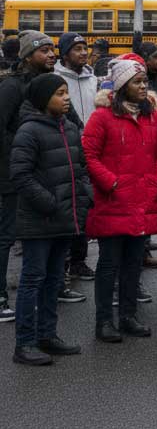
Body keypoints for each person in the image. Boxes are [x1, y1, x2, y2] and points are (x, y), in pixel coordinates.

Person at [82, 57, 157, 343]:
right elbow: (89, 156)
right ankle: (104, 321)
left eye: (145, 81)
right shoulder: (102, 117)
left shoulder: (153, 116)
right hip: (114, 200)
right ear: (122, 86)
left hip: (143, 197)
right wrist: (112, 182)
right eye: (137, 82)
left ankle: (128, 317)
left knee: (134, 263)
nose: (144, 86)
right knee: (109, 264)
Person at [9, 73, 92, 364]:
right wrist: (49, 203)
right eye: (59, 93)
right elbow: (20, 174)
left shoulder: (68, 128)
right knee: (33, 280)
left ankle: (47, 335)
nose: (66, 97)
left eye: (66, 92)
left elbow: (80, 169)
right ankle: (25, 343)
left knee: (54, 280)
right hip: (39, 221)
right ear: (45, 99)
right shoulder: (29, 131)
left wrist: (82, 199)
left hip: (64, 219)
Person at [0, 31, 60, 321]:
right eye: (44, 50)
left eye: (52, 49)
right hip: (14, 173)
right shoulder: (12, 87)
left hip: (43, 172)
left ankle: (50, 288)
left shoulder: (46, 85)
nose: (51, 54)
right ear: (27, 56)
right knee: (8, 235)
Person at [53, 34, 97, 285]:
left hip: (90, 149)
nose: (83, 53)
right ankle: (63, 262)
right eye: (77, 49)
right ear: (65, 53)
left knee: (84, 205)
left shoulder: (93, 79)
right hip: (65, 148)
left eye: (85, 48)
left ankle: (79, 261)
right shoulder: (56, 79)